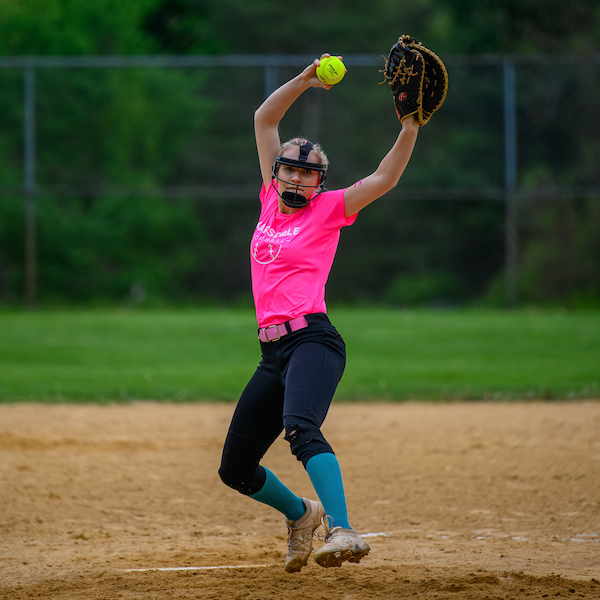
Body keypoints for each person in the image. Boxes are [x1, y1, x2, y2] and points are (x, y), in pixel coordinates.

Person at [218, 53, 419, 572]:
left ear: (318, 182)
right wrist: (305, 80)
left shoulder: (330, 209)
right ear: (277, 172)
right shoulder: (268, 199)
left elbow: (385, 177)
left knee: (301, 427)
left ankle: (343, 529)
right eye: (290, 168)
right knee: (235, 467)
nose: (297, 178)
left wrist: (411, 125)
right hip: (271, 351)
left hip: (312, 339)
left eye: (309, 174)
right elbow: (265, 118)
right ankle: (301, 514)